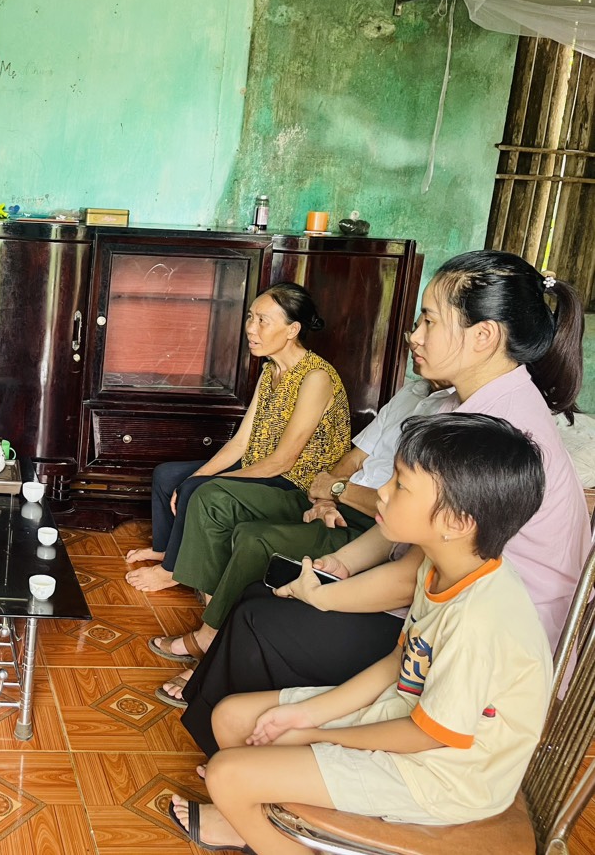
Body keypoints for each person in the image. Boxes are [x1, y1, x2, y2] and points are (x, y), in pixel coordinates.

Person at [179, 250, 590, 756]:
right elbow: (402, 522)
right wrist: (340, 564)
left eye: (430, 321)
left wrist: (321, 595)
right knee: (257, 595)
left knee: (262, 620)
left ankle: (244, 762)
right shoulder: (464, 406)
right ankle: (236, 752)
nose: (415, 335)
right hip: (432, 613)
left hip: (479, 651)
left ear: (483, 336)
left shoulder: (494, 435)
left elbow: (410, 574)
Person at [168, 413, 551, 853]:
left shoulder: (480, 619)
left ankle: (264, 823)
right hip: (405, 713)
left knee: (226, 776)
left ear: (456, 521)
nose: (382, 491)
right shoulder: (440, 566)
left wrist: (318, 733)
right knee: (230, 718)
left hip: (444, 775)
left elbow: (428, 735)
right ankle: (255, 826)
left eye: (401, 485)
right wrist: (305, 716)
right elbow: (398, 662)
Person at [151, 372, 457, 706]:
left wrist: (336, 490)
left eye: (424, 338)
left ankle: (211, 641)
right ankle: (212, 623)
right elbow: (354, 458)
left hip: (365, 517)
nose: (415, 344)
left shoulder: (457, 413)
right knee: (211, 497)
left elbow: (403, 507)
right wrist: (327, 497)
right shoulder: (412, 391)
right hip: (330, 497)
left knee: (254, 539)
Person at [125, 281, 352, 592]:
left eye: (262, 321)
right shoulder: (270, 371)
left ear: (292, 329)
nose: (250, 328)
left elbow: (283, 461)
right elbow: (241, 442)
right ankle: (167, 549)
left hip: (294, 484)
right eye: (250, 317)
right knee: (168, 476)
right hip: (262, 468)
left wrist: (205, 482)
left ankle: (172, 571)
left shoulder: (316, 377)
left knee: (195, 488)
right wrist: (198, 475)